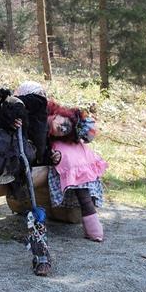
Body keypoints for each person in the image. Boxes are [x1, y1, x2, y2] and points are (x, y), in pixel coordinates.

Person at [43, 97, 108, 242]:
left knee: (84, 193)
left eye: (65, 130)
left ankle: (94, 230)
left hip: (75, 157)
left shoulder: (66, 140)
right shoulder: (43, 113)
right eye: (63, 124)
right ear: (59, 115)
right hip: (60, 154)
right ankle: (93, 229)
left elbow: (86, 135)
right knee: (84, 195)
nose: (62, 128)